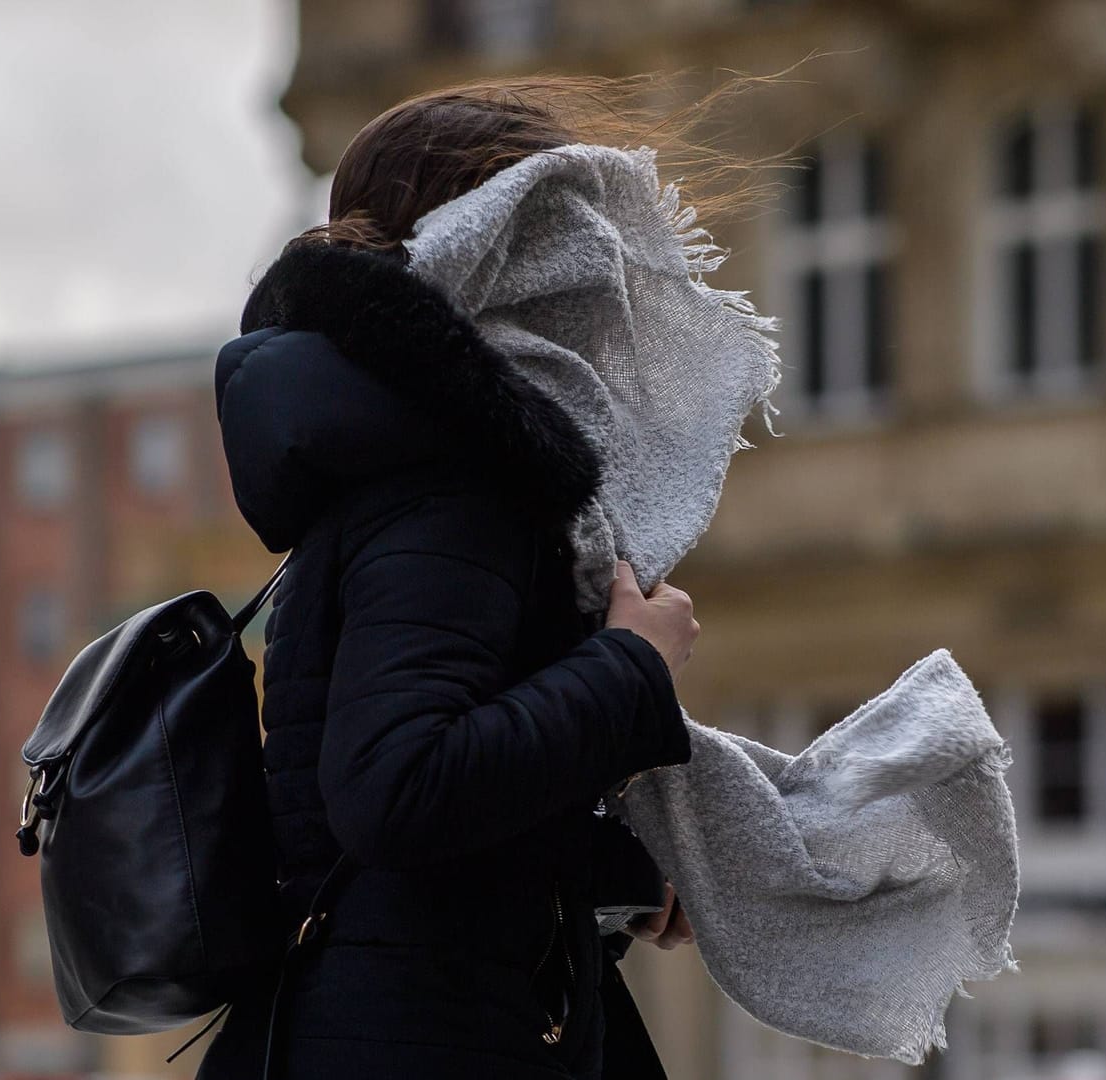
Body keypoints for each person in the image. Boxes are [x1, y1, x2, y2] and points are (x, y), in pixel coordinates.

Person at [195, 82, 728, 1080]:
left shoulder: (404, 457)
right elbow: (398, 790)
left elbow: (415, 853)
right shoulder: (453, 477)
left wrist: (624, 873)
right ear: (504, 246)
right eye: (571, 234)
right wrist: (631, 666)